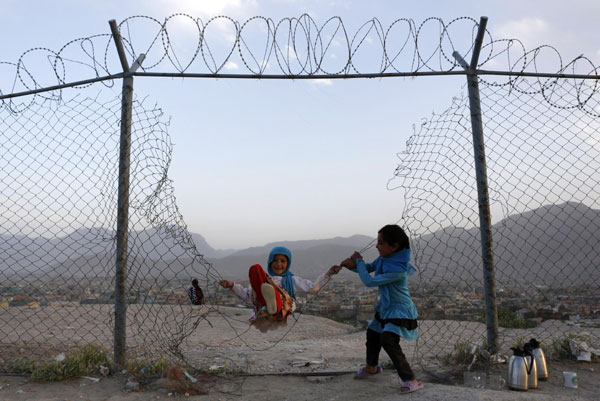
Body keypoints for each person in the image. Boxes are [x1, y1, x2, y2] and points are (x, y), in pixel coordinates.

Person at [339, 224, 423, 394]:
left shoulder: (399, 270)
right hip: (386, 307)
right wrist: (353, 266)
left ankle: (410, 379)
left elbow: (369, 281)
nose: (377, 246)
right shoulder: (384, 259)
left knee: (388, 339)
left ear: (394, 246)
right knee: (373, 333)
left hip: (400, 310)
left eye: (381, 243)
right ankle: (372, 367)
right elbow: (368, 268)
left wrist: (359, 261)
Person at [219, 246, 341, 332]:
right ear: (270, 261)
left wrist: (329, 273)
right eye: (275, 260)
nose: (278, 264)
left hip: (282, 308)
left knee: (275, 295)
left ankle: (274, 304)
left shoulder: (291, 280)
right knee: (255, 269)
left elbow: (313, 288)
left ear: (288, 263)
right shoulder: (265, 279)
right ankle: (267, 304)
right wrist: (232, 285)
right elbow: (247, 295)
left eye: (283, 261)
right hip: (262, 307)